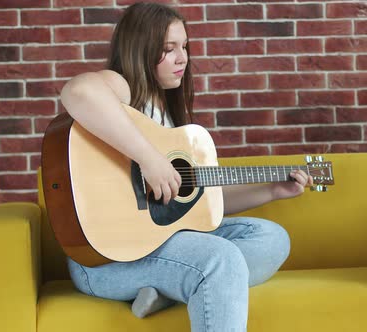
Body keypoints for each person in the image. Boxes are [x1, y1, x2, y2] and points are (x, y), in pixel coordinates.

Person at [59, 2, 312, 331]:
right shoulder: (121, 89)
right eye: (169, 49)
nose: (183, 58)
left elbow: (199, 202)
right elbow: (77, 91)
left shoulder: (168, 116)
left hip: (161, 246)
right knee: (220, 257)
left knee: (271, 238)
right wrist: (149, 159)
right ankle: (183, 283)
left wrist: (272, 189)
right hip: (107, 262)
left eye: (184, 47)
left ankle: (167, 290)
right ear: (140, 49)